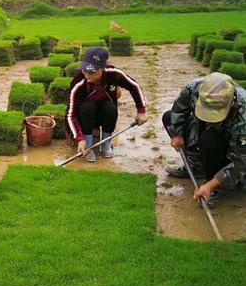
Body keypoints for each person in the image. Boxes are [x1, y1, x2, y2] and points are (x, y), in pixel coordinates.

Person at [162, 72, 246, 208]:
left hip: (229, 145)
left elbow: (241, 161)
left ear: (231, 103)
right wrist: (177, 134)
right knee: (168, 118)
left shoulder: (244, 113)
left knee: (209, 139)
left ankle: (212, 184)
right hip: (201, 127)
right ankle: (196, 165)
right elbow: (179, 110)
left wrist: (211, 184)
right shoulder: (193, 88)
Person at [65, 47, 148, 162]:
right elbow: (70, 115)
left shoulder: (113, 74)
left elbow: (134, 86)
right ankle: (88, 145)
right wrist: (80, 139)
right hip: (85, 117)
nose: (87, 76)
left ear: (102, 68)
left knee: (110, 107)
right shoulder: (78, 83)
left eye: (92, 72)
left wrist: (141, 111)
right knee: (87, 107)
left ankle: (106, 144)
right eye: (85, 71)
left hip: (105, 114)